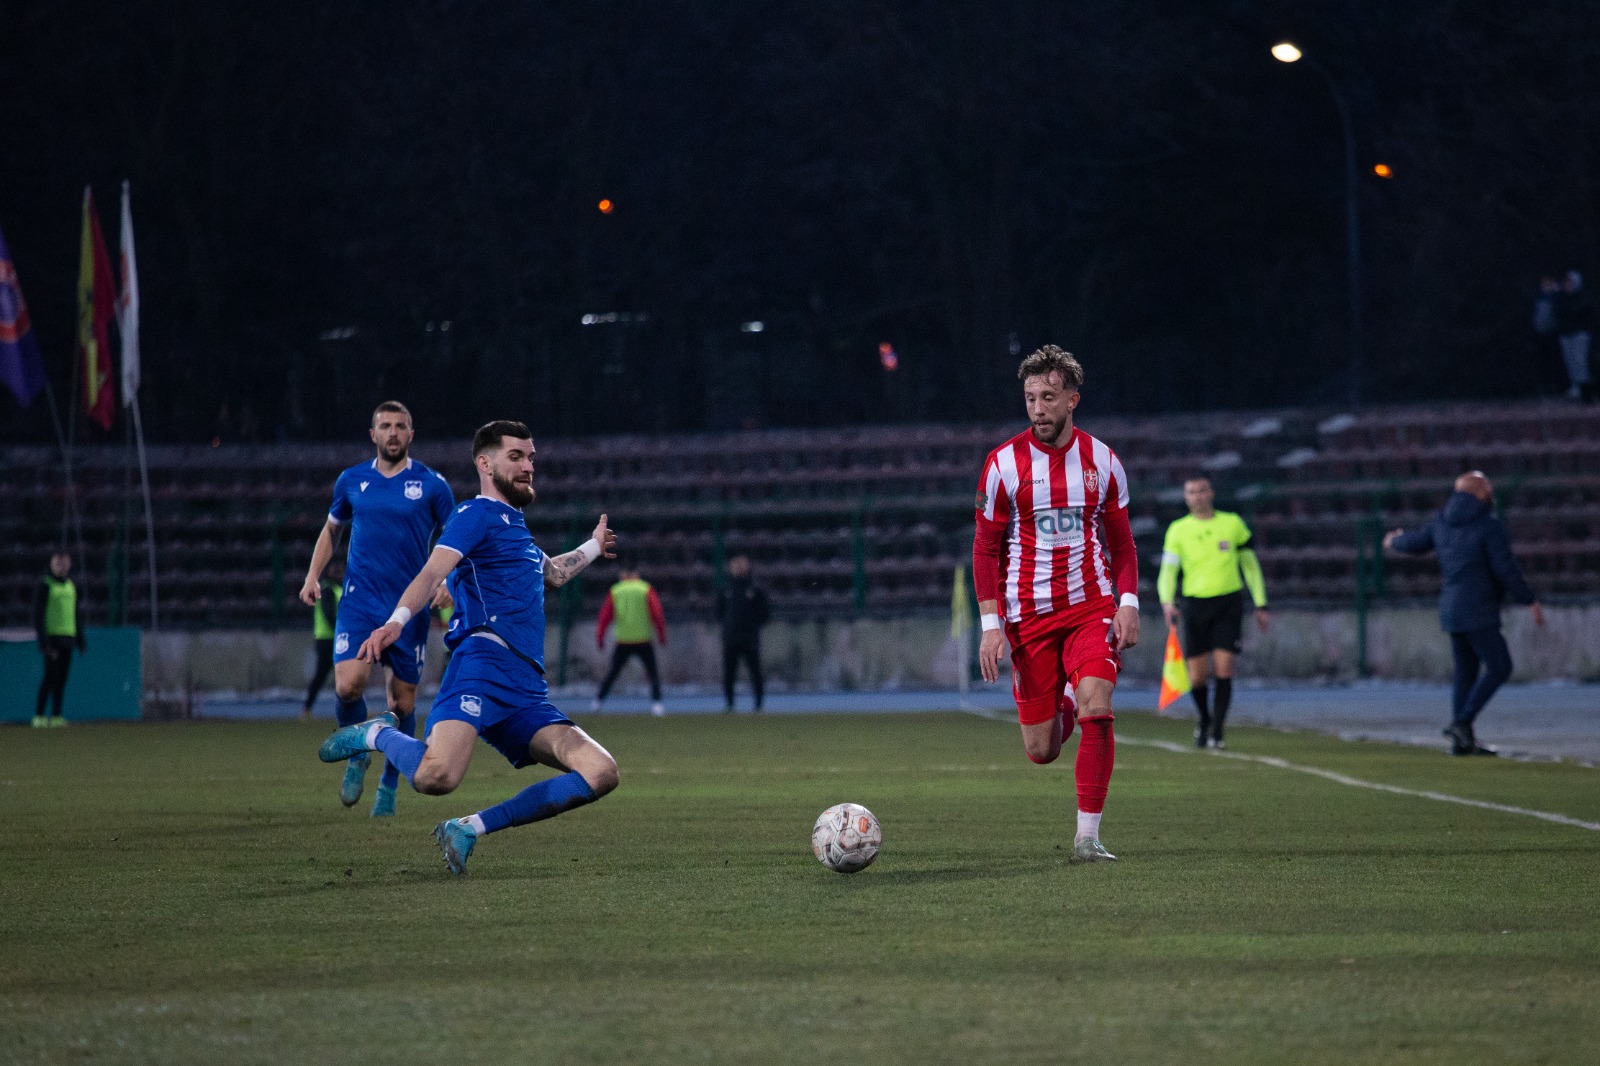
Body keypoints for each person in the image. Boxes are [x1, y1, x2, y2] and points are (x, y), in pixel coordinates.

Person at [318, 420, 620, 875]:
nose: (528, 467)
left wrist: (594, 547)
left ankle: (468, 828)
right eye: (516, 457)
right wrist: (396, 622)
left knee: (601, 772)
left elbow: (553, 574)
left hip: (524, 688)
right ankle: (376, 733)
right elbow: (430, 573)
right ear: (485, 463)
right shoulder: (474, 514)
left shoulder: (515, 529)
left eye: (531, 457)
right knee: (437, 777)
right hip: (482, 664)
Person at [973, 344, 1140, 862]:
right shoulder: (1003, 464)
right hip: (1028, 619)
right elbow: (985, 548)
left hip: (1092, 608)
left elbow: (1121, 543)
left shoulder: (1104, 461)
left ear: (1072, 400)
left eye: (1048, 397)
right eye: (1030, 398)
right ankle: (1061, 706)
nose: (1038, 408)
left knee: (1099, 707)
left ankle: (1087, 837)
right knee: (1041, 750)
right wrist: (990, 624)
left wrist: (1128, 601)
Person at [299, 401, 455, 817]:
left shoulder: (433, 486)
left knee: (402, 703)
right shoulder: (351, 481)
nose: (392, 433)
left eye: (400, 426)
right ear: (373, 434)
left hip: (409, 607)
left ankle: (388, 784)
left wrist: (447, 583)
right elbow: (331, 531)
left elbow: (457, 540)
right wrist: (313, 575)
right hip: (360, 602)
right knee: (347, 686)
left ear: (411, 434)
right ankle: (357, 754)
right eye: (385, 426)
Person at [1384, 471, 1545, 756]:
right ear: (1480, 491)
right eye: (1487, 486)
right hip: (1478, 607)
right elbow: (1504, 568)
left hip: (1451, 608)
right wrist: (1529, 599)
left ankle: (1462, 742)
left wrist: (1394, 541)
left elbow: (1417, 543)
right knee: (1500, 666)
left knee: (1465, 672)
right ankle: (1461, 722)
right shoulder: (1487, 525)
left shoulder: (1442, 521)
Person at [1157, 476, 1270, 749]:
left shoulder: (1232, 524)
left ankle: (1218, 731)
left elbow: (1250, 566)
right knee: (1197, 676)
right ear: (1185, 497)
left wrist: (1260, 603)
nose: (1196, 496)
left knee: (1224, 668)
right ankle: (1205, 719)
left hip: (1228, 603)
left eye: (1201, 490)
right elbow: (1169, 571)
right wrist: (1166, 601)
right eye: (1191, 492)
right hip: (1194, 605)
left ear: (1211, 493)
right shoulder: (1178, 530)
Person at [591, 562, 668, 717]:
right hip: (643, 638)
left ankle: (597, 702)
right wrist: (661, 635)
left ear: (623, 575)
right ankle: (657, 704)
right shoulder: (645, 588)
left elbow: (605, 617)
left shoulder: (616, 590)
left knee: (613, 673)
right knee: (652, 673)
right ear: (636, 574)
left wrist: (600, 637)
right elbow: (657, 614)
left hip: (623, 640)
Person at [33, 552, 86, 728]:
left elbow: (76, 614)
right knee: (50, 677)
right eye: (58, 563)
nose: (61, 566)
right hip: (52, 638)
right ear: (51, 564)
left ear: (69, 564)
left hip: (67, 638)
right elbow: (38, 616)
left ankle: (56, 715)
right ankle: (39, 715)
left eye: (64, 563)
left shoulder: (71, 586)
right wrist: (44, 642)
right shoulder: (45, 585)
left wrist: (80, 638)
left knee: (62, 679)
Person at [716, 554, 770, 713]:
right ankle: (730, 704)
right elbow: (719, 612)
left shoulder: (755, 589)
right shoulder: (726, 589)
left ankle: (759, 704)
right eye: (736, 565)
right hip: (731, 637)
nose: (739, 567)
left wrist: (752, 626)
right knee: (729, 672)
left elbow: (765, 613)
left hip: (749, 638)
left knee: (755, 671)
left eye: (742, 564)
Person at [300, 559, 344, 721]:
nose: (339, 573)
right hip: (328, 639)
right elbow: (329, 614)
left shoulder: (337, 589)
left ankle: (307, 708)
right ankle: (307, 708)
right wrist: (341, 629)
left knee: (346, 674)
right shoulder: (327, 590)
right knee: (323, 675)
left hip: (333, 638)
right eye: (336, 570)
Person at [1554, 270, 1594, 402]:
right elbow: (1559, 311)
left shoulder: (1582, 296)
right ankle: (1575, 387)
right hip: (1566, 334)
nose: (1567, 285)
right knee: (1569, 361)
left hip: (1579, 333)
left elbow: (1578, 311)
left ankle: (1585, 390)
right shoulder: (1561, 297)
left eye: (1570, 282)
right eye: (1565, 282)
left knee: (1579, 361)